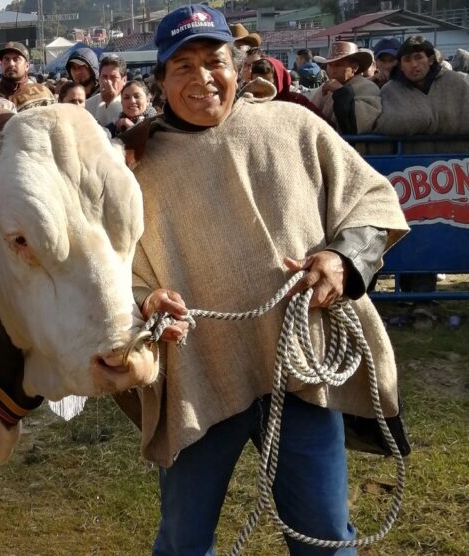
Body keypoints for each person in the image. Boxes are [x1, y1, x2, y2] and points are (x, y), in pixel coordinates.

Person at [122, 5, 408, 555]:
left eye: (214, 61)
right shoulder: (138, 168)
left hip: (302, 371)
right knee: (183, 542)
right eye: (182, 66)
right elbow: (118, 270)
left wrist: (343, 260)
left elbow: (372, 200)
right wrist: (146, 300)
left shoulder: (293, 126)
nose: (203, 78)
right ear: (159, 80)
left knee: (325, 538)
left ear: (239, 64)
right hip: (200, 380)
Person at [375, 35, 469, 136]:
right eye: (407, 60)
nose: (414, 64)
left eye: (418, 57)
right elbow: (386, 125)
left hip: (456, 150)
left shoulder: (454, 82)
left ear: (431, 60)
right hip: (410, 151)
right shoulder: (391, 90)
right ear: (400, 66)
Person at [310, 41, 381, 134]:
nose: (332, 71)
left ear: (354, 68)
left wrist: (341, 92)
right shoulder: (325, 88)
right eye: (330, 65)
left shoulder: (367, 88)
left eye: (338, 65)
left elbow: (356, 124)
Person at [251, 57, 326, 121]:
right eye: (256, 83)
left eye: (267, 84)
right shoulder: (248, 104)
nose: (262, 89)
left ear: (280, 81)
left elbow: (325, 127)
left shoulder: (298, 102)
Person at [85, 55, 126, 126]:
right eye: (104, 77)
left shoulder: (131, 105)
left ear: (124, 80)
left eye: (113, 77)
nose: (107, 81)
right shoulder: (88, 105)